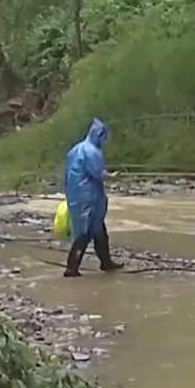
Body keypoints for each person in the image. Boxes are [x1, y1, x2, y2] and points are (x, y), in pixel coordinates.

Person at [63, 118, 123, 276]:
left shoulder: (75, 150)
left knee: (99, 231)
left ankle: (106, 263)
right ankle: (71, 268)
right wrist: (112, 176)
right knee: (85, 233)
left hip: (76, 195)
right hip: (88, 197)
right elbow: (99, 174)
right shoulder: (92, 152)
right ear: (99, 135)